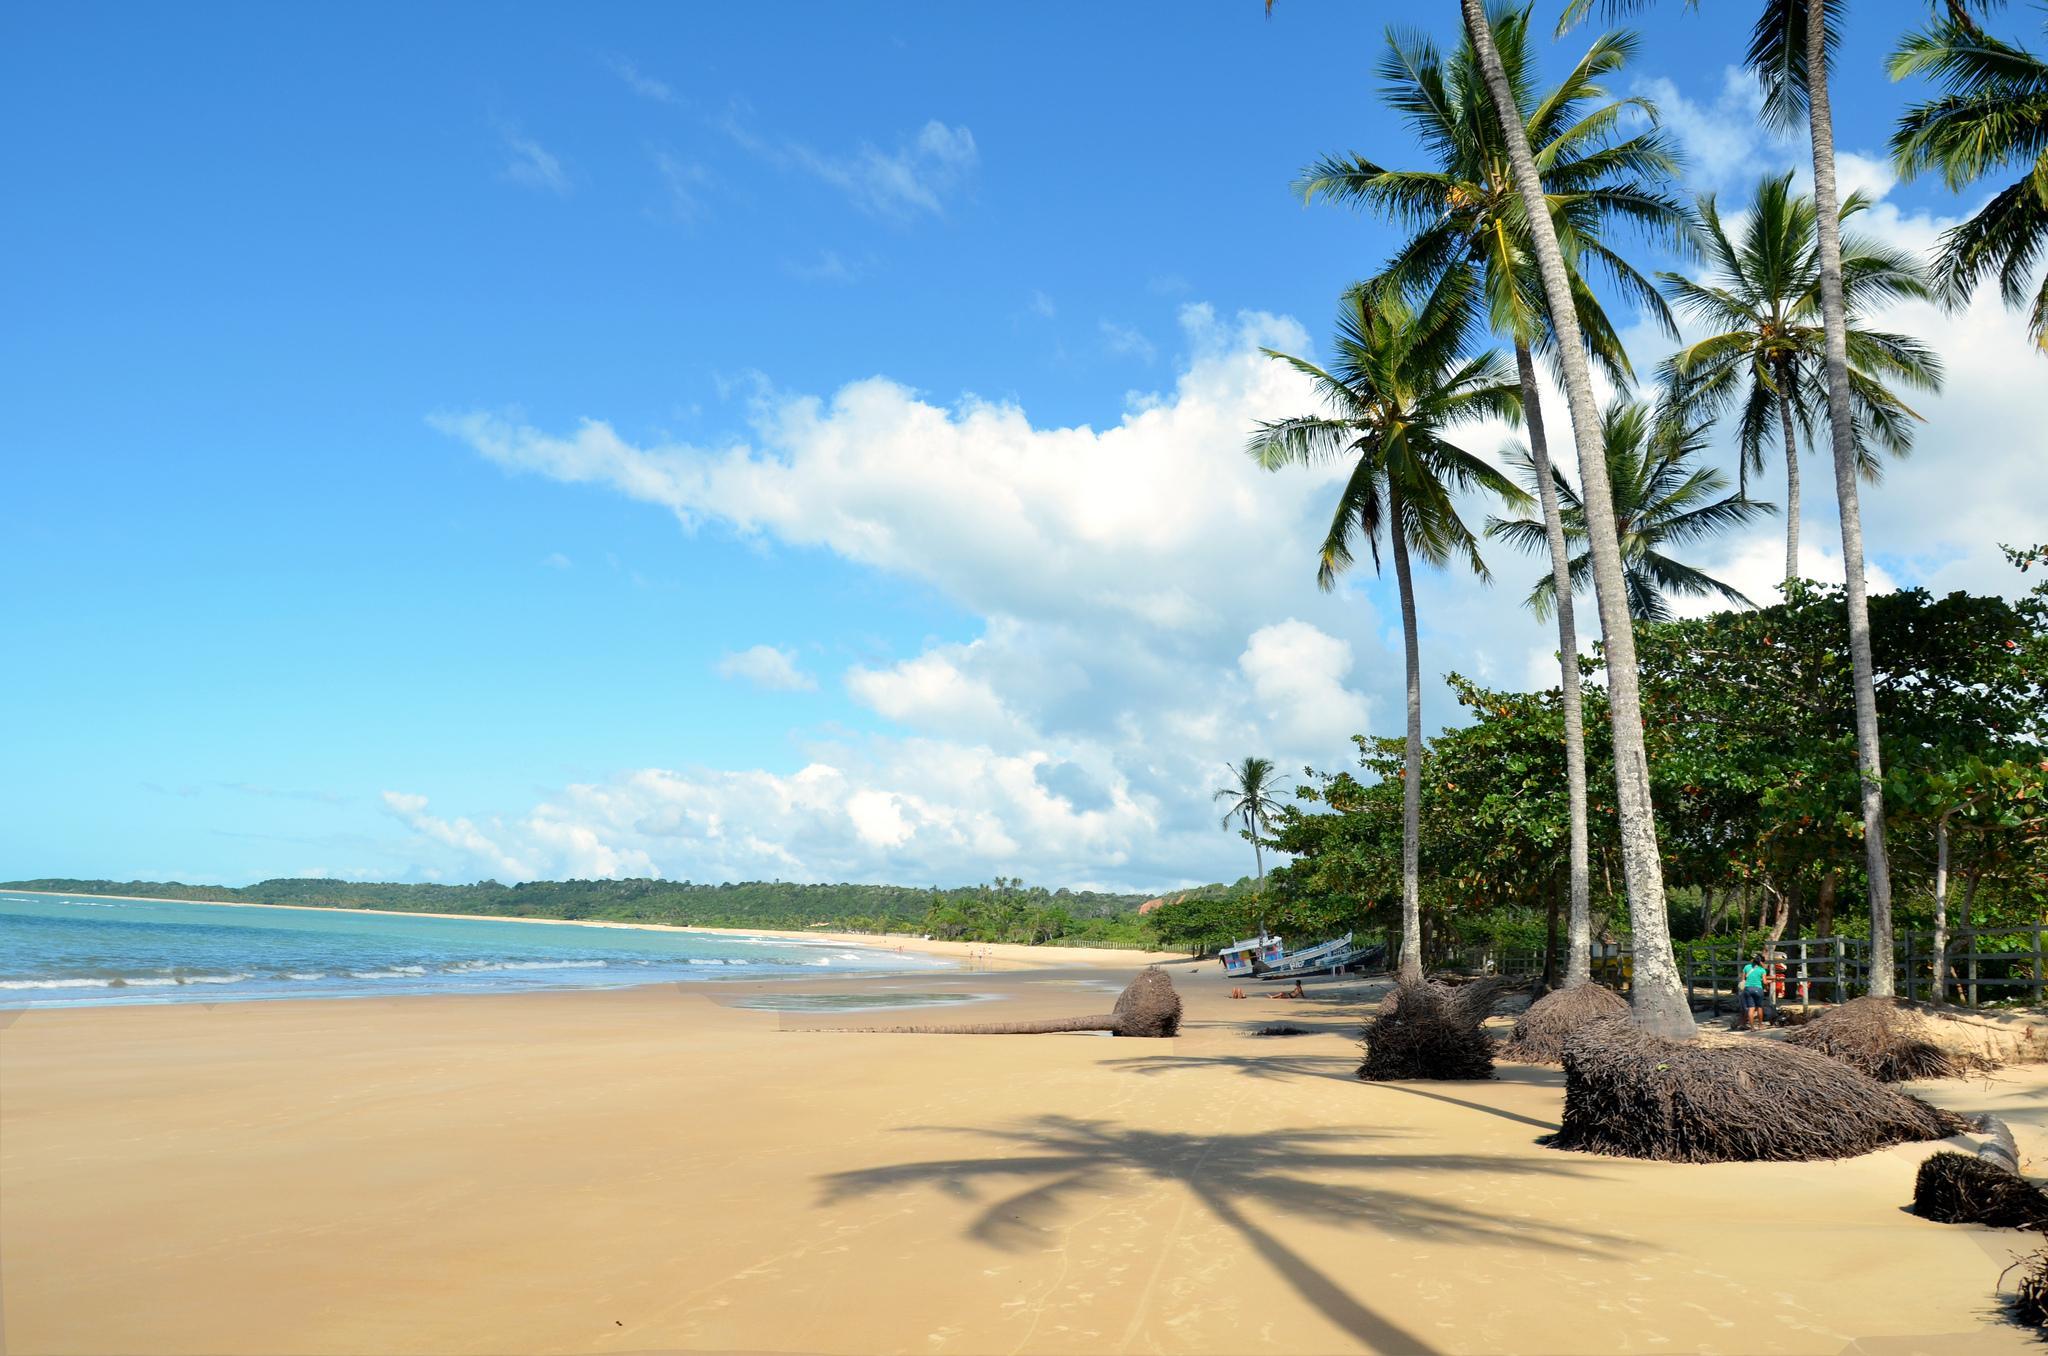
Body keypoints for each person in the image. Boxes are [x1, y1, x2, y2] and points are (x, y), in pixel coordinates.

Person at [1740, 953, 1769, 1029]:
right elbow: (1765, 982)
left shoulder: (1746, 967)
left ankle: (1752, 1027)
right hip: (1758, 989)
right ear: (1760, 962)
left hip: (1748, 989)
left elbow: (1743, 979)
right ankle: (1760, 1025)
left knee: (1751, 1008)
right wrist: (1768, 985)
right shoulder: (1762, 970)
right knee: (1759, 1007)